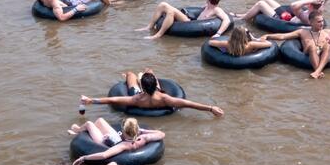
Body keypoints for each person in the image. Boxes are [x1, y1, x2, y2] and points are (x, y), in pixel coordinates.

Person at [80, 69, 224, 117]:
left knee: (130, 74)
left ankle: (134, 77)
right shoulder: (165, 98)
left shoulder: (136, 99)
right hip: (156, 96)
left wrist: (91, 100)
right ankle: (146, 74)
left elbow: (113, 100)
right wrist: (211, 108)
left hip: (142, 95)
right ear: (156, 85)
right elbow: (189, 104)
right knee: (149, 71)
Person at [258, 11, 330, 79]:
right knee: (312, 45)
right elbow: (283, 36)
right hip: (309, 51)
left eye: (322, 21)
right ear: (311, 22)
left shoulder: (328, 32)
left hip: (325, 52)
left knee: (327, 45)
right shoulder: (302, 32)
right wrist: (268, 36)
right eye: (319, 22)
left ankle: (317, 72)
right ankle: (318, 71)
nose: (322, 23)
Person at [67, 117, 166, 165]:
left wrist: (84, 157)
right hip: (118, 139)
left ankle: (77, 131)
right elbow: (161, 134)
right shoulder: (143, 138)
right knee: (100, 120)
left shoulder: (124, 145)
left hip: (106, 144)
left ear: (123, 130)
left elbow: (104, 155)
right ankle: (80, 131)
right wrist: (143, 131)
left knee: (89, 124)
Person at [137, 0, 232, 39]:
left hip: (190, 24)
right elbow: (197, 11)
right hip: (190, 21)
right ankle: (149, 27)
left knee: (171, 12)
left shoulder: (217, 10)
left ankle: (158, 35)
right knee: (163, 5)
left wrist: (218, 34)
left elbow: (226, 20)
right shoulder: (207, 6)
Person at [234, 0, 329, 24]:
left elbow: (293, 5)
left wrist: (310, 0)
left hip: (281, 21)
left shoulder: (306, 17)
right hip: (287, 17)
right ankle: (244, 14)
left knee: (261, 4)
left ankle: (242, 19)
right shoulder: (320, 9)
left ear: (310, 5)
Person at [208, 25, 274, 57]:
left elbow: (210, 42)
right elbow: (269, 44)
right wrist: (254, 39)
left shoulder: (227, 44)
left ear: (233, 35)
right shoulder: (251, 45)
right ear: (245, 36)